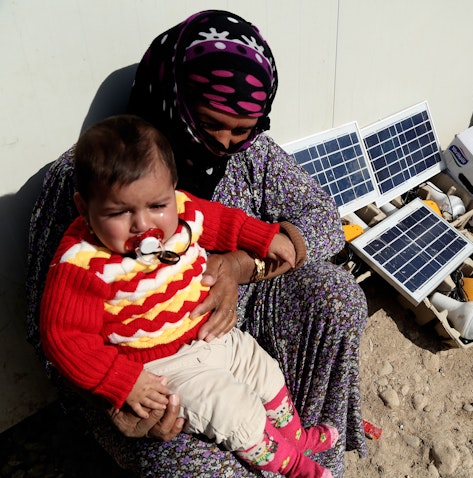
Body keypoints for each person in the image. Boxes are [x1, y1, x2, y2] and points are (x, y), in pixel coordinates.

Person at [26, 9, 367, 477]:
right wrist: (123, 399)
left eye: (243, 129)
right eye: (211, 125)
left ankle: (310, 456)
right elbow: (51, 333)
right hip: (152, 372)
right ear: (175, 98)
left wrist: (241, 267)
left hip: (237, 336)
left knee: (338, 295)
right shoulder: (93, 179)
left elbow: (324, 221)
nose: (226, 143)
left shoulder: (253, 153)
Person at [41, 114, 337, 478]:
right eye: (120, 212)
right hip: (164, 370)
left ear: (174, 189)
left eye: (157, 206)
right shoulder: (82, 264)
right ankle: (294, 467)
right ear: (85, 210)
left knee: (266, 371)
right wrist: (122, 380)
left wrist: (264, 237)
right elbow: (64, 338)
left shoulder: (181, 211)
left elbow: (225, 222)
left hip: (210, 334)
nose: (143, 224)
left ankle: (298, 438)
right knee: (235, 413)